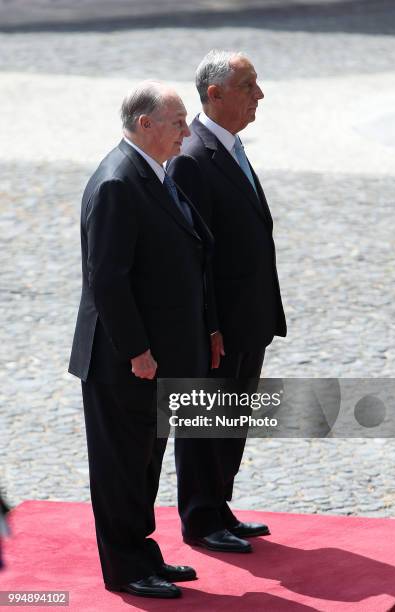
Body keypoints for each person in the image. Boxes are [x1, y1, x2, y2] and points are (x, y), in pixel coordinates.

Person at [68, 81, 214, 599]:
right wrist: (137, 350)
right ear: (145, 124)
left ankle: (142, 554)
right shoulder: (118, 182)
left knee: (145, 463)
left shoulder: (152, 172)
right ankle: (126, 568)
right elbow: (107, 278)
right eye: (177, 121)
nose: (186, 130)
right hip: (124, 362)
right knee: (121, 468)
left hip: (155, 356)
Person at [167, 50, 287, 553]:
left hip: (249, 317)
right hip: (219, 326)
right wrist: (210, 325)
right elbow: (195, 256)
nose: (259, 94)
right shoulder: (193, 157)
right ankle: (200, 517)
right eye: (248, 85)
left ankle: (219, 506)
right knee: (206, 423)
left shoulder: (231, 147)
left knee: (232, 421)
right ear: (214, 94)